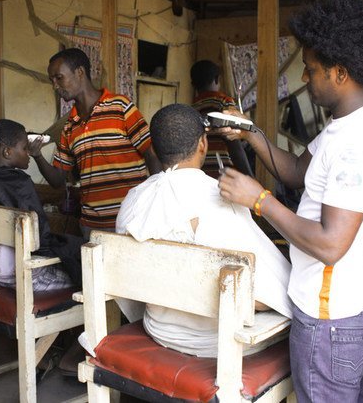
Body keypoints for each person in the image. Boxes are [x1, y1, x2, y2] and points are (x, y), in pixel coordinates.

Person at [215, 0, 363, 402]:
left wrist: (259, 199)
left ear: (339, 72)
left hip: (332, 320)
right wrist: (251, 133)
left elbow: (331, 244)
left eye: (311, 70)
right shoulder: (344, 127)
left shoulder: (358, 143)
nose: (304, 78)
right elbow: (298, 172)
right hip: (347, 311)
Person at [116, 104, 292, 357]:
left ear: (153, 148)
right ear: (203, 145)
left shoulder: (133, 199)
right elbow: (265, 296)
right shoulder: (221, 198)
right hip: (219, 342)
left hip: (159, 329)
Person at [30, 48, 161, 238]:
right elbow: (58, 180)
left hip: (131, 222)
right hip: (92, 226)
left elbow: (151, 154)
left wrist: (154, 204)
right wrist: (37, 155)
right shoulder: (69, 127)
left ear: (80, 72)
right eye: (52, 80)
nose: (55, 86)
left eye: (59, 77)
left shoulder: (120, 107)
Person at [0, 118, 84, 290]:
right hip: (28, 276)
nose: (28, 152)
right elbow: (39, 240)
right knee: (89, 277)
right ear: (7, 152)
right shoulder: (20, 184)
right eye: (25, 148)